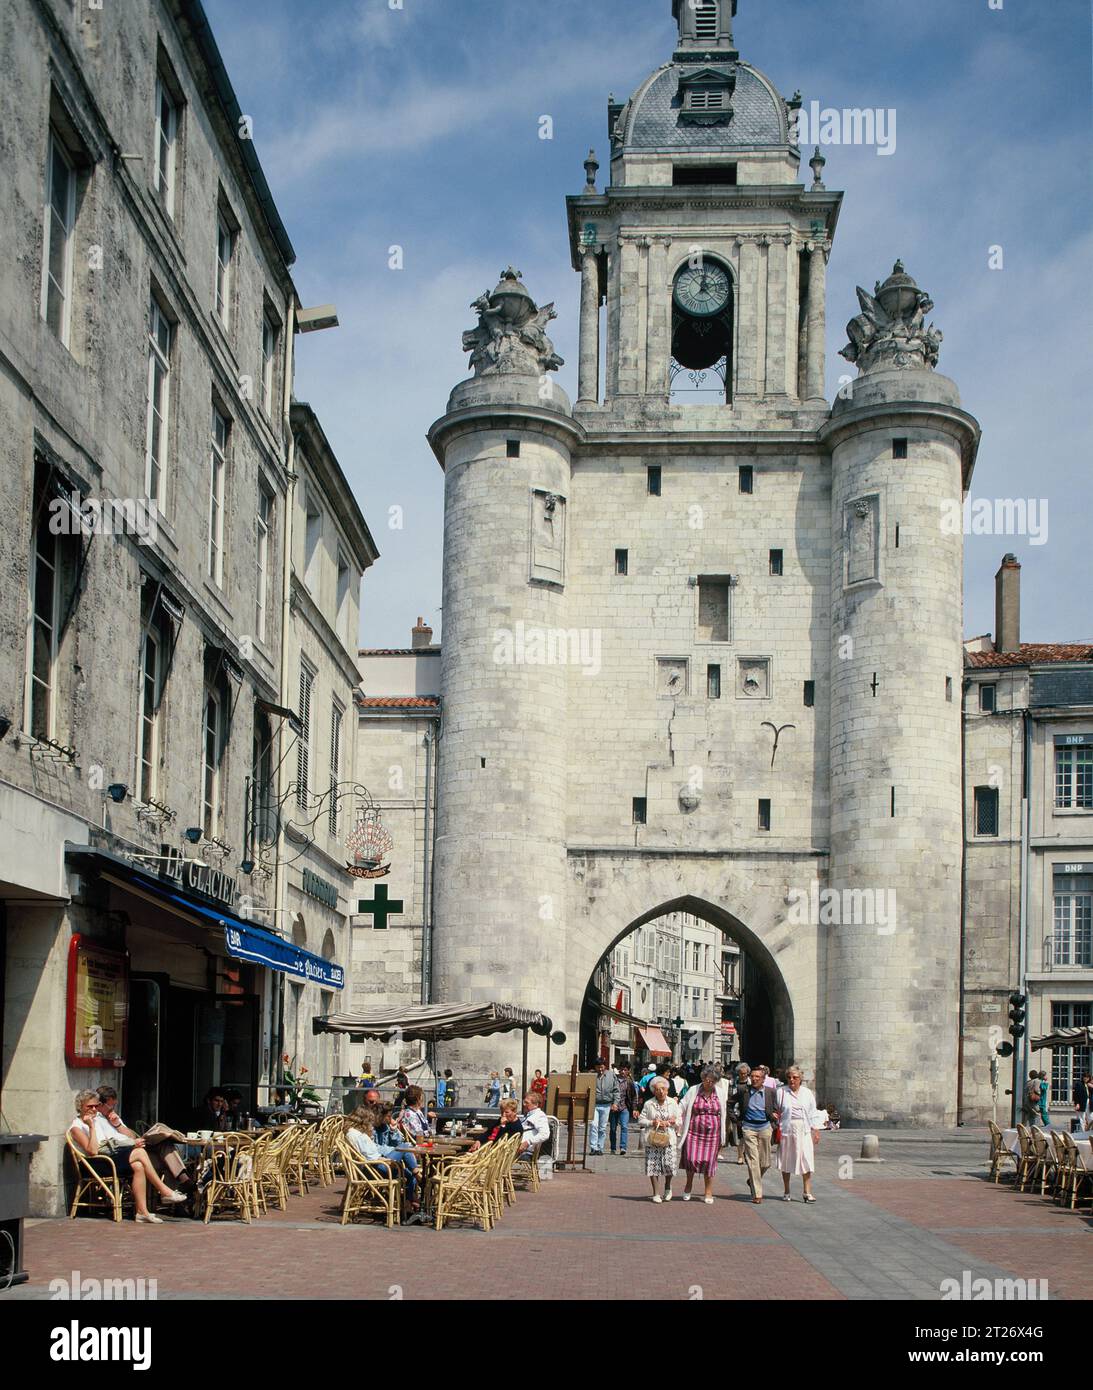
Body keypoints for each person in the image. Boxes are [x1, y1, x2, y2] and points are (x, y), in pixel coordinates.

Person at [68, 1090, 187, 1224]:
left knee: (138, 1165)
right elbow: (93, 1151)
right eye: (90, 1107)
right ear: (80, 1106)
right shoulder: (76, 1127)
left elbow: (118, 1138)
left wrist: (116, 1126)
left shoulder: (99, 1119)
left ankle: (142, 1212)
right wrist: (91, 1128)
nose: (94, 1109)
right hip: (95, 1163)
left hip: (111, 1157)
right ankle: (164, 1191)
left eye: (96, 1106)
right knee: (140, 1153)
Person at [344, 1106, 419, 1210]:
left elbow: (372, 1153)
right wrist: (388, 1161)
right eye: (369, 1121)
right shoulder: (357, 1135)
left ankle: (409, 1201)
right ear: (363, 1120)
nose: (370, 1123)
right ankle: (418, 1176)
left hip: (376, 1166)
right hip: (375, 1169)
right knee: (405, 1147)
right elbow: (371, 1157)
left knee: (409, 1174)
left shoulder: (356, 1133)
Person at [678, 1063, 729, 1203]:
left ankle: (708, 1191)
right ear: (703, 1077)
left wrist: (723, 1135)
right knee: (691, 1159)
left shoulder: (720, 1093)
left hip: (712, 1134)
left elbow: (723, 1113)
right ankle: (688, 1185)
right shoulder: (694, 1090)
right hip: (694, 1132)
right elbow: (682, 1105)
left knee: (709, 1162)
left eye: (712, 1080)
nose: (709, 1082)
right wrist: (675, 1116)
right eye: (707, 1079)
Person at [735, 1065, 780, 1203]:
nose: (754, 1079)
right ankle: (757, 1194)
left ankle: (752, 1180)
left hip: (765, 1128)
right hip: (749, 1128)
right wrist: (737, 1120)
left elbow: (776, 1108)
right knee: (753, 1161)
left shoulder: (771, 1092)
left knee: (766, 1162)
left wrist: (774, 1118)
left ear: (763, 1079)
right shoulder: (743, 1090)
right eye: (752, 1076)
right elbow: (730, 1103)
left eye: (757, 1077)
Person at [778, 1066, 822, 1203]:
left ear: (800, 1079)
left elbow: (813, 1112)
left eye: (795, 1077)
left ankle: (807, 1191)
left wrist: (816, 1130)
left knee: (806, 1159)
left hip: (804, 1129)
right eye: (789, 1077)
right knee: (786, 1159)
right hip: (787, 1128)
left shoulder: (807, 1093)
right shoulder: (781, 1092)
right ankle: (786, 1190)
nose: (792, 1080)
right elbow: (776, 1109)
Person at [639, 1076, 682, 1202]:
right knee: (653, 1165)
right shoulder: (649, 1104)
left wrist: (672, 1122)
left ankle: (668, 1186)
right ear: (654, 1091)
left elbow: (679, 1119)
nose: (661, 1091)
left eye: (663, 1089)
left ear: (667, 1090)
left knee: (669, 1164)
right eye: (658, 1089)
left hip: (669, 1138)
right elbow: (641, 1120)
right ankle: (656, 1193)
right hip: (653, 1139)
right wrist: (652, 1122)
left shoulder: (673, 1103)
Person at [590, 1059, 619, 1155]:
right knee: (594, 1125)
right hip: (594, 1104)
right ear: (595, 1067)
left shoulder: (611, 1075)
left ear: (605, 1067)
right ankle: (593, 1147)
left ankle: (600, 1147)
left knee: (602, 1128)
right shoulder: (592, 1076)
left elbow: (616, 1090)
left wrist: (615, 1103)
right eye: (598, 1067)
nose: (600, 1069)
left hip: (606, 1105)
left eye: (602, 1067)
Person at [610, 1063, 638, 1157]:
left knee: (624, 1127)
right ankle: (613, 1147)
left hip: (624, 1107)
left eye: (625, 1070)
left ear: (628, 1071)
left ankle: (623, 1147)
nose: (623, 1072)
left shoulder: (629, 1082)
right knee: (613, 1129)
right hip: (613, 1107)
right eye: (621, 1069)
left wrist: (634, 1108)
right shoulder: (614, 1079)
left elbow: (634, 1096)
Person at [519, 1091, 550, 1155]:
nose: (524, 1104)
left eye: (526, 1103)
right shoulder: (529, 1115)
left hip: (525, 1151)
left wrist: (528, 1142)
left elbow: (545, 1134)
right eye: (524, 1102)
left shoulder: (539, 1116)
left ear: (536, 1105)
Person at [733, 1062, 751, 1163]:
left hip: (749, 1112)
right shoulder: (733, 1083)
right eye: (741, 1073)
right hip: (737, 1112)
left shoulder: (751, 1083)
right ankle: (740, 1156)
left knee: (748, 1136)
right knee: (740, 1136)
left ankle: (746, 1154)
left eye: (745, 1073)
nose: (743, 1075)